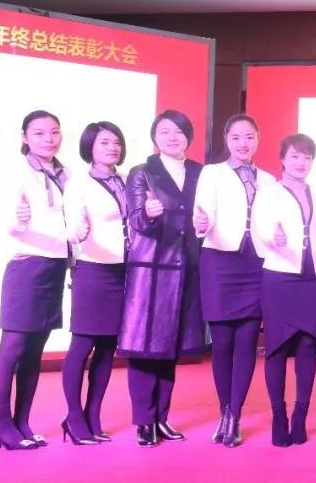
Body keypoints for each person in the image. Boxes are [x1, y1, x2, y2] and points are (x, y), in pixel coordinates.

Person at [119, 110, 207, 447]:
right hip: (151, 272)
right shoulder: (142, 172)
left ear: (189, 137)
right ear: (155, 137)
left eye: (179, 132)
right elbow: (136, 220)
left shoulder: (201, 172)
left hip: (187, 270)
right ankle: (144, 421)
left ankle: (161, 417)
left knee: (171, 347)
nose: (172, 137)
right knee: (145, 348)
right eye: (165, 131)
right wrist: (148, 214)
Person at [0, 111, 70, 451]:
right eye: (39, 133)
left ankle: (22, 421)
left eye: (54, 132)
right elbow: (4, 222)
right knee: (12, 348)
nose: (48, 139)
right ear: (25, 137)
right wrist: (18, 221)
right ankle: (2, 425)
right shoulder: (18, 171)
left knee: (35, 351)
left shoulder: (65, 174)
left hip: (54, 267)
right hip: (26, 267)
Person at [195, 114, 276, 447]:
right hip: (220, 262)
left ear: (258, 139)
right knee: (222, 344)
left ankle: (235, 414)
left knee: (246, 343)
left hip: (256, 265)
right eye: (237, 137)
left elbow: (271, 222)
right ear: (227, 140)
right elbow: (204, 212)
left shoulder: (269, 180)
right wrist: (202, 223)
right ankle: (224, 410)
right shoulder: (212, 173)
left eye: (250, 137)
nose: (243, 144)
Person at [251, 133, 316, 447]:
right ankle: (278, 416)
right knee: (278, 348)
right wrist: (275, 239)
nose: (301, 162)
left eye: (307, 157)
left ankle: (300, 416)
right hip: (280, 278)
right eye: (295, 156)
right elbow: (261, 231)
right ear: (283, 158)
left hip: (314, 278)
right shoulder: (268, 193)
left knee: (308, 347)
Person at [60, 121, 130, 444]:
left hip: (125, 271)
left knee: (107, 347)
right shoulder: (78, 184)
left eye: (116, 142)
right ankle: (74, 417)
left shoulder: (128, 180)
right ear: (90, 146)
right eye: (104, 142)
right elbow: (73, 225)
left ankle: (93, 415)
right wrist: (77, 233)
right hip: (92, 269)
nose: (112, 148)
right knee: (82, 344)